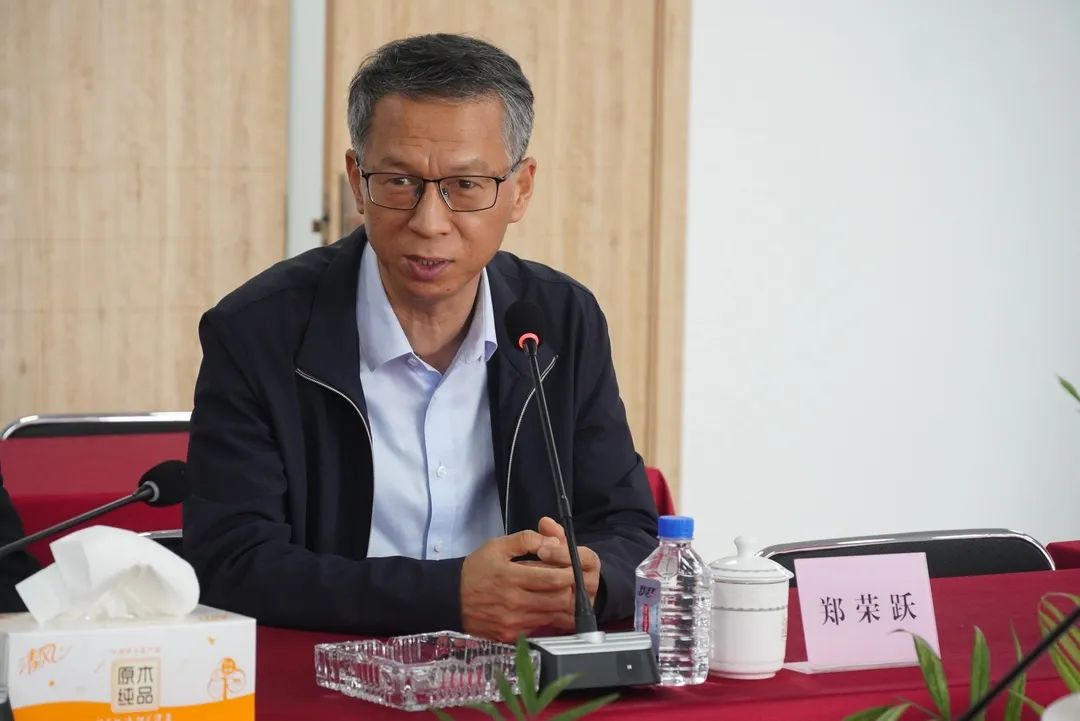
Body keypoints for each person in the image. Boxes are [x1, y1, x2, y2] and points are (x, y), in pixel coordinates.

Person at [183, 33, 657, 641]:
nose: (430, 223)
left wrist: (594, 579)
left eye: (466, 185)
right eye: (399, 182)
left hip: (524, 672)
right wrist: (448, 596)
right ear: (357, 180)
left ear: (520, 189)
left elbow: (629, 530)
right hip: (333, 668)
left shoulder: (560, 320)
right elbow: (231, 561)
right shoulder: (258, 331)